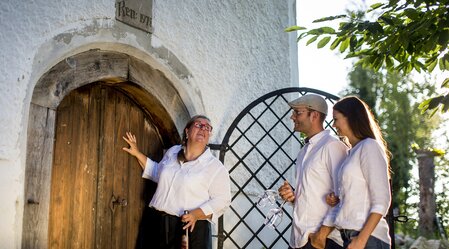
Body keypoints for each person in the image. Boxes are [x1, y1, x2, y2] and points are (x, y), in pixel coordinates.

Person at [122, 115, 231, 249]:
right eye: (198, 125)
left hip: (189, 229)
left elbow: (223, 200)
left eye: (207, 127)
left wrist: (195, 214)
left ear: (209, 135)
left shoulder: (215, 167)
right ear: (187, 131)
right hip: (157, 223)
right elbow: (158, 173)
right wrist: (137, 153)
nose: (203, 129)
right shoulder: (173, 152)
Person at [278, 94, 348, 249]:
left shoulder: (333, 146)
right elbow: (313, 197)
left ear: (314, 115)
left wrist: (321, 235)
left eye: (298, 112)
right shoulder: (304, 151)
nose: (292, 117)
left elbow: (344, 195)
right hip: (299, 240)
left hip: (323, 241)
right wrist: (293, 197)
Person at [329, 96, 391, 249]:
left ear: (350, 118)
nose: (334, 124)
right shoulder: (352, 152)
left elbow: (382, 200)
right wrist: (339, 200)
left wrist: (362, 239)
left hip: (368, 238)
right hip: (349, 236)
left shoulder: (369, 146)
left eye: (336, 119)